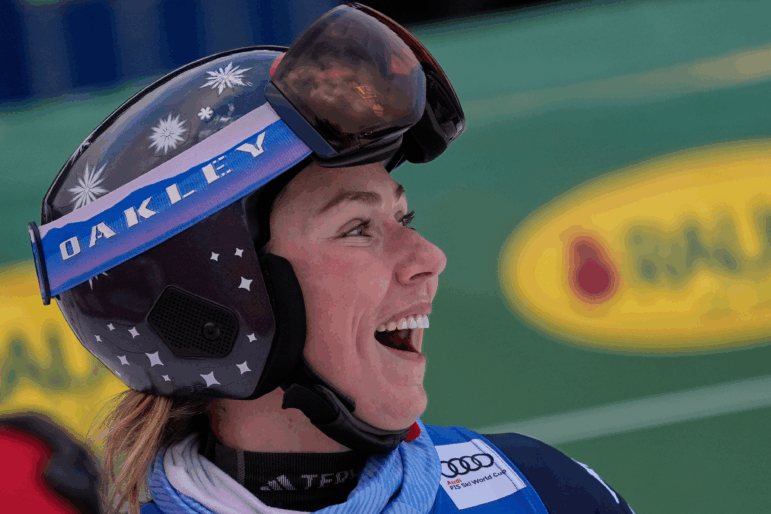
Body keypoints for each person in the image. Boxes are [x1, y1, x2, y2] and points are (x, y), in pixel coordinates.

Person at [28, 4, 636, 514]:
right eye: (356, 229)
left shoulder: (542, 492)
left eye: (403, 218)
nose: (428, 258)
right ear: (224, 305)